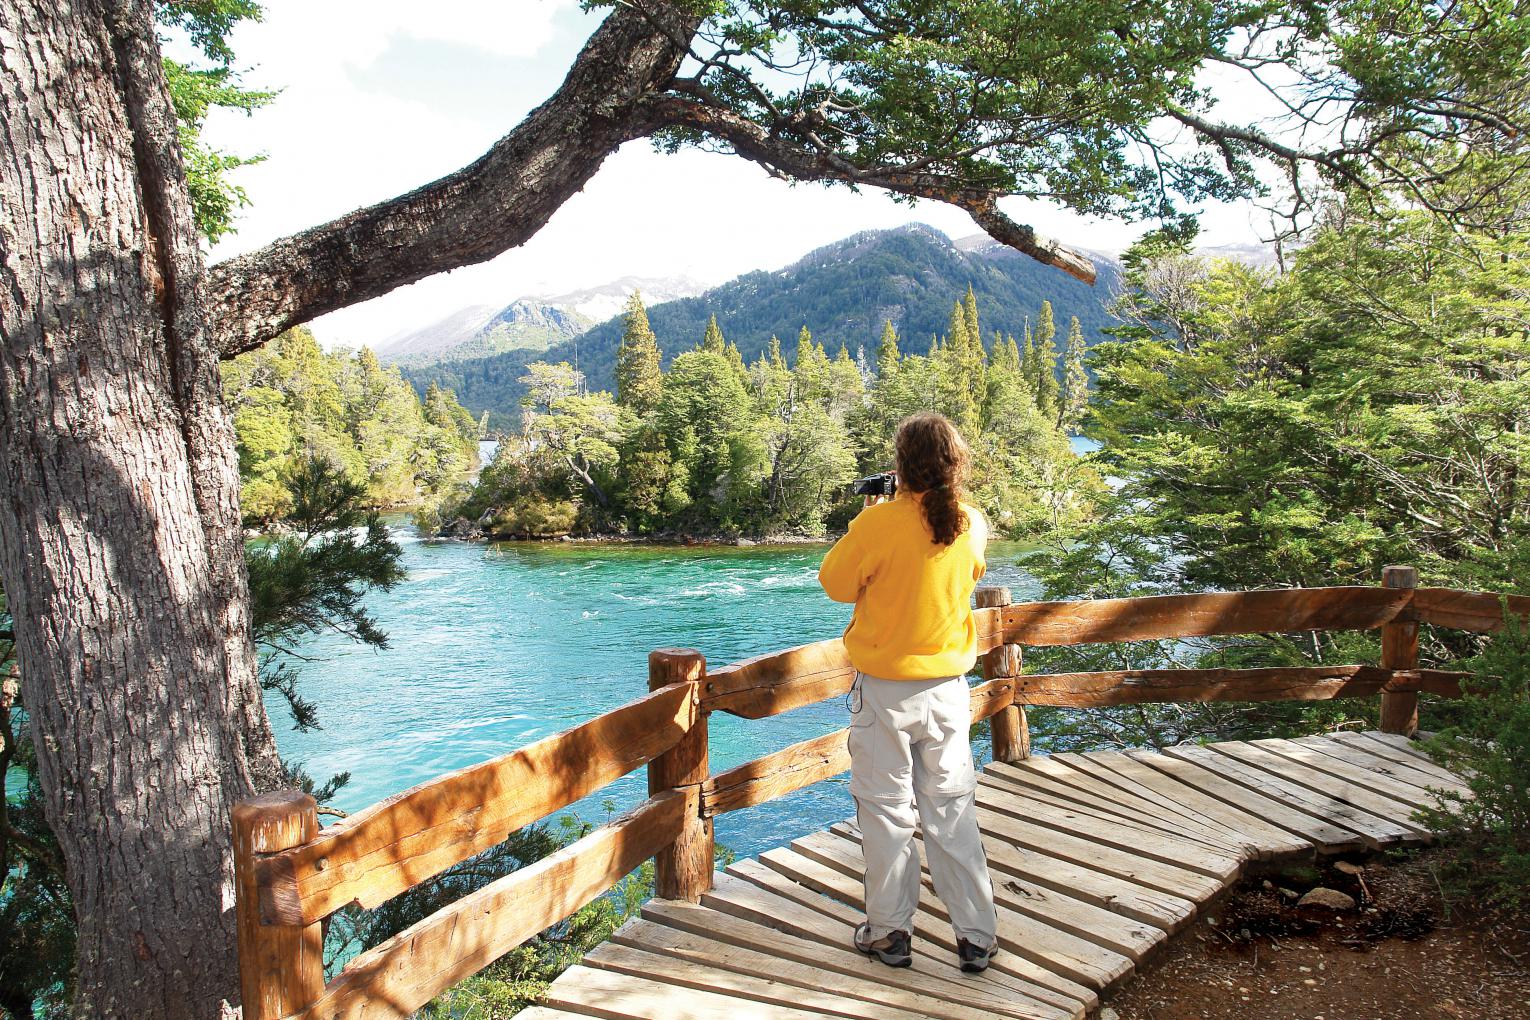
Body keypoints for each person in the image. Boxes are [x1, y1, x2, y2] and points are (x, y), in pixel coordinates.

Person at [818, 411, 999, 973]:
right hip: (947, 690)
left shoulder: (877, 525)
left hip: (886, 693)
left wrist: (867, 517)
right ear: (955, 463)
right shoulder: (970, 521)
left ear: (900, 466)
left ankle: (890, 933)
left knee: (886, 813)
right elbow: (960, 577)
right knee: (951, 809)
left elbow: (835, 584)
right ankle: (975, 935)